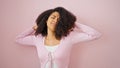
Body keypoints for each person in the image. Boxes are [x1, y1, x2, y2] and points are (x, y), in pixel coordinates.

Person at [15, 7, 102, 68]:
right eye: (53, 17)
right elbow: (18, 39)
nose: (55, 20)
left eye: (59, 19)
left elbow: (95, 34)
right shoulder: (37, 39)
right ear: (46, 20)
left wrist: (73, 24)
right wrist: (33, 28)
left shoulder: (69, 37)